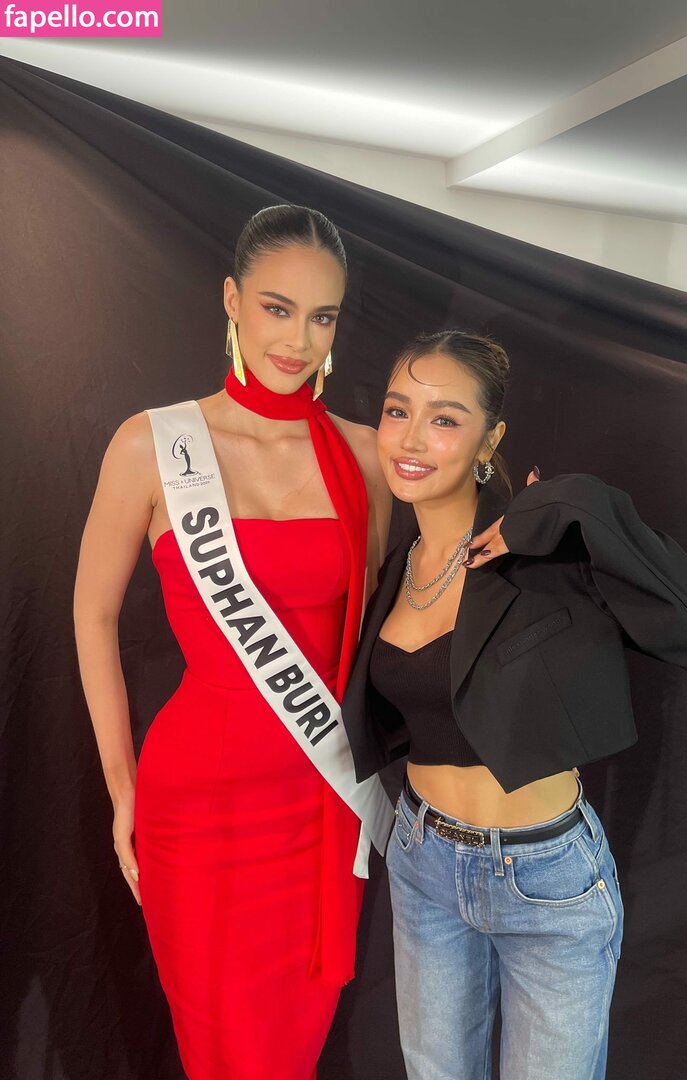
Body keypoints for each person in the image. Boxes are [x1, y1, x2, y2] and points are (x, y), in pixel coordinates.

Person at [341, 330, 687, 1080]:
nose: (412, 438)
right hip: (424, 861)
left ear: (490, 438)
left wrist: (573, 503)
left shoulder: (543, 548)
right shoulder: (397, 565)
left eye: (445, 418)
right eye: (399, 411)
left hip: (546, 880)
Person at [73, 204, 391, 1080]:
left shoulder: (367, 458)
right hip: (197, 810)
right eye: (277, 308)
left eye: (322, 317)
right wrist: (120, 786)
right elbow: (91, 615)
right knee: (220, 1052)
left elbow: (367, 637)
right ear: (231, 300)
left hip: (318, 805)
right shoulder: (152, 444)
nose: (298, 340)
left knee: (289, 1052)